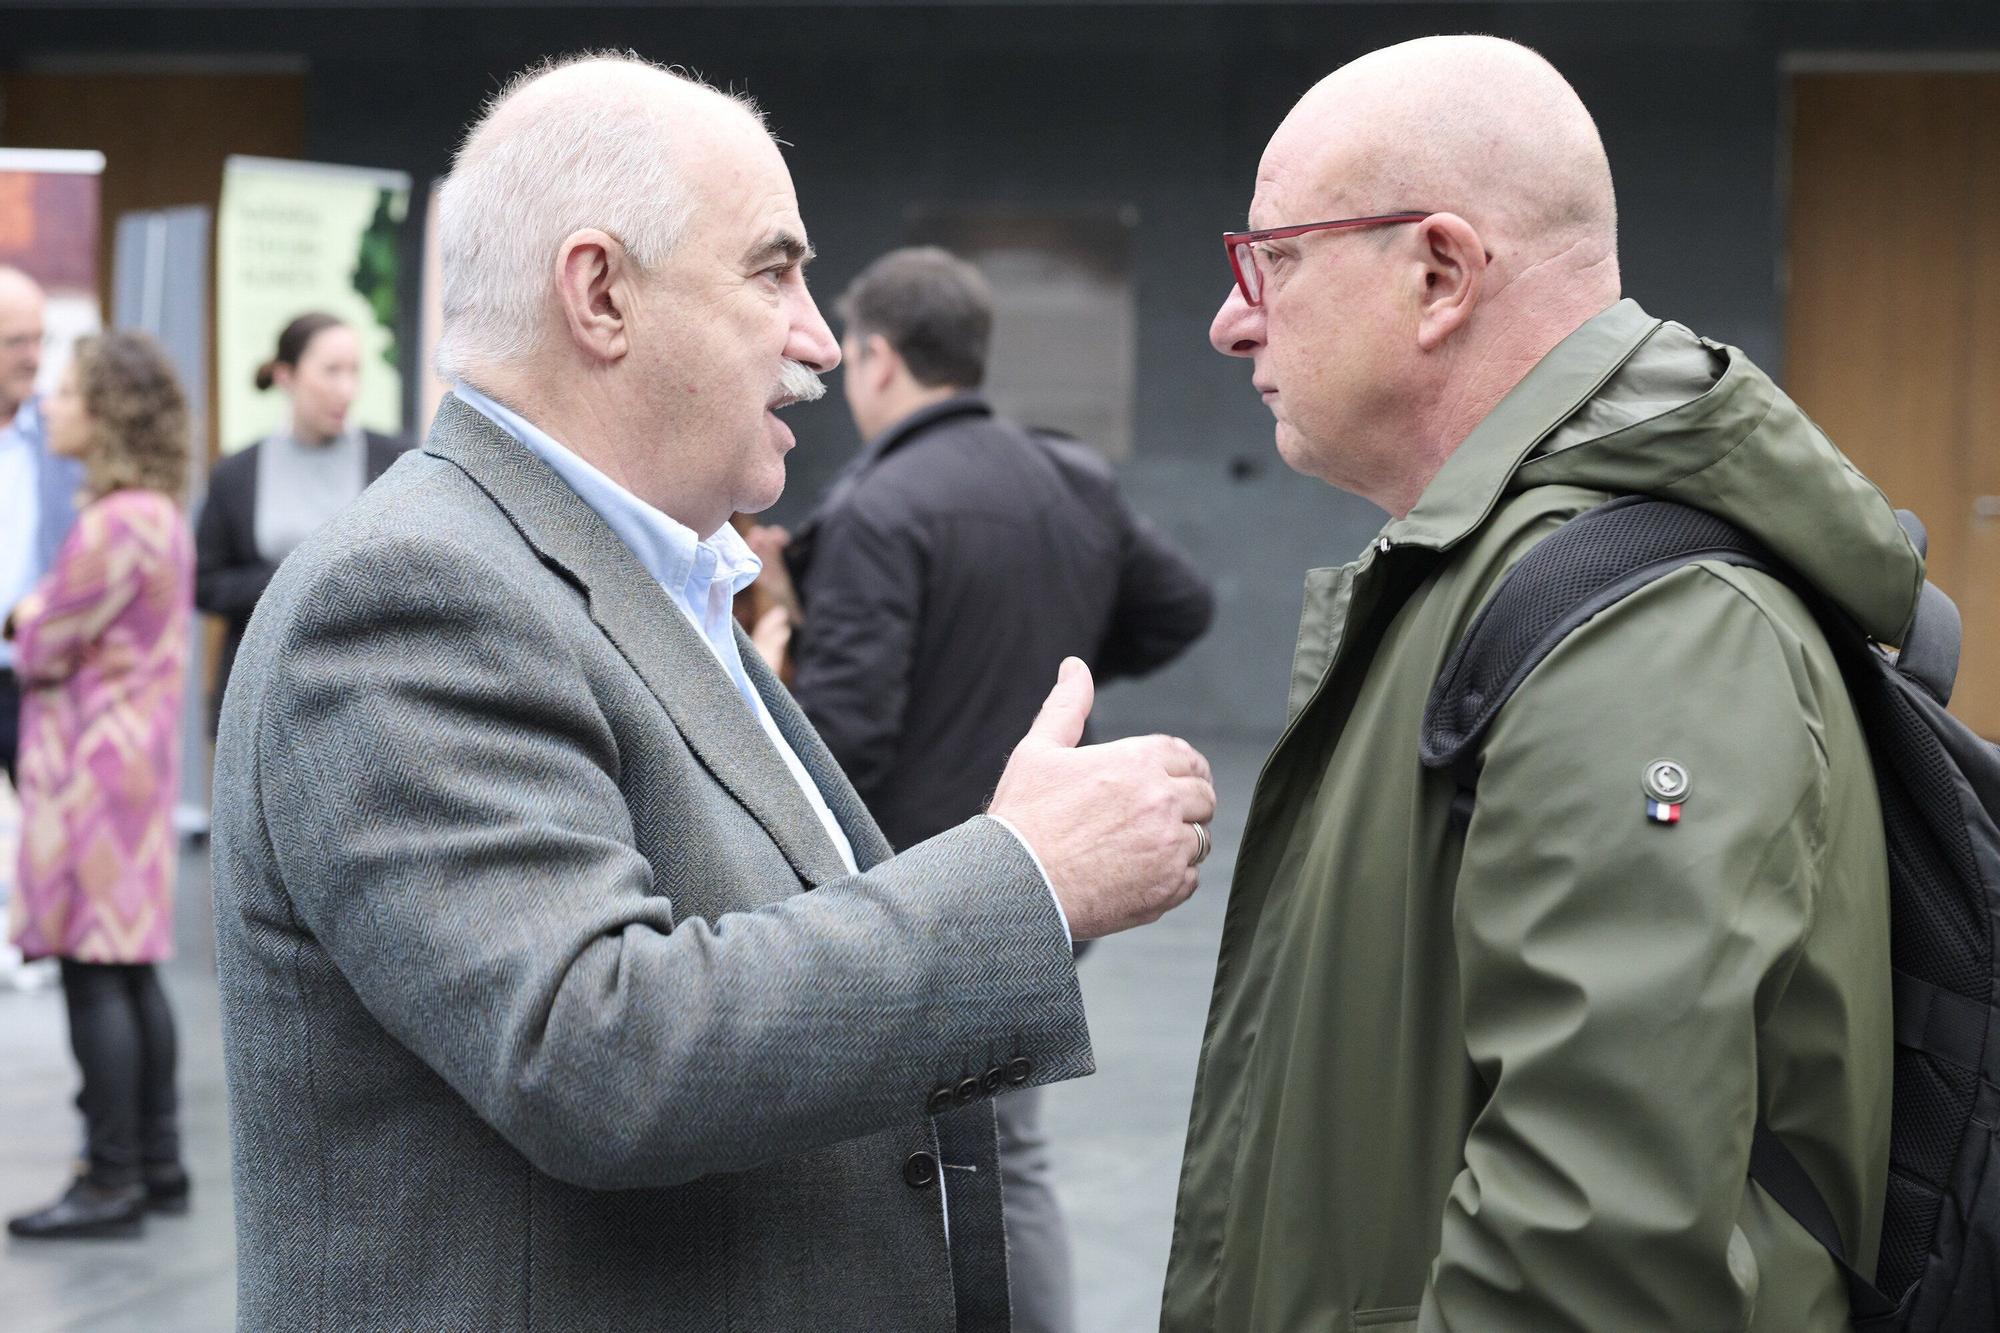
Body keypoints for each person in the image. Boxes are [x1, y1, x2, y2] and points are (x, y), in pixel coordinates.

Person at [210, 53, 1216, 1332]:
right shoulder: (413, 593)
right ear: (600, 294)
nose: (815, 338)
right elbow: (598, 1051)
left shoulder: (638, 578)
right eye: (772, 270)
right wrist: (1026, 875)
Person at [1164, 35, 1901, 1332]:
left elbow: (1591, 1271)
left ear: (1440, 272)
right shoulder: (1489, 578)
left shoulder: (1650, 636)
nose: (1233, 320)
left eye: (1270, 260)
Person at [761, 246, 1213, 1333]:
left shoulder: (876, 504)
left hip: (928, 887)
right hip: (1054, 877)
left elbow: (844, 734)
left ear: (873, 357)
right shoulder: (1069, 478)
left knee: (950, 1164)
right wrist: (1060, 646)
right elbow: (1180, 606)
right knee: (1004, 1150)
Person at [4, 331, 196, 1240]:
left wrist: (24, 610)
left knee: (94, 974)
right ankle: (158, 1163)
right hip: (131, 770)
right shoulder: (157, 513)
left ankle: (110, 1177)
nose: (51, 404)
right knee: (129, 967)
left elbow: (39, 638)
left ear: (109, 412)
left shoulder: (116, 523)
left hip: (91, 775)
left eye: (70, 391)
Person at [194, 312, 403, 731]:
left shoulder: (394, 463)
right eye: (331, 372)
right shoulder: (237, 474)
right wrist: (295, 577)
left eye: (354, 372)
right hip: (262, 697)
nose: (347, 389)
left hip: (368, 698)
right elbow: (204, 584)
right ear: (286, 376)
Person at [0, 265, 82, 788]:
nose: (33, 356)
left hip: (35, 680)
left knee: (48, 850)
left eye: (40, 339)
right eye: (15, 341)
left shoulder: (65, 436)